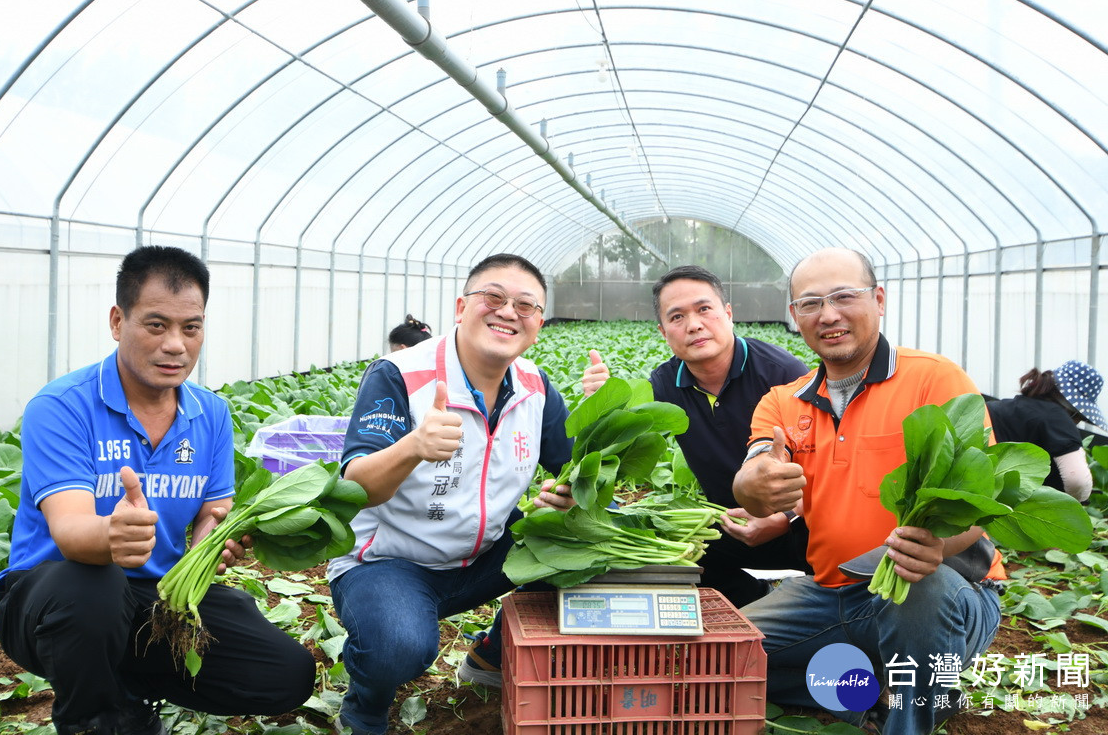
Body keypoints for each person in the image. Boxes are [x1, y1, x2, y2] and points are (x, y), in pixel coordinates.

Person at [0, 246, 316, 735]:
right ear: (118, 321)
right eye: (156, 325)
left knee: (286, 672)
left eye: (191, 327)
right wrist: (112, 536)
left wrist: (215, 535)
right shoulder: (61, 406)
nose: (176, 346)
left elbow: (213, 510)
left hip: (156, 597)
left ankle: (128, 691)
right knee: (93, 586)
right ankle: (95, 722)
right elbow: (73, 532)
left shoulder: (212, 414)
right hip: (49, 597)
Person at [732, 247, 1003, 735]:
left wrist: (937, 546)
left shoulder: (933, 379)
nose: (829, 314)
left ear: (879, 299)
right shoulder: (782, 401)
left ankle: (910, 720)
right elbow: (757, 465)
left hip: (943, 590)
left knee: (922, 580)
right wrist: (752, 483)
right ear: (794, 317)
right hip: (831, 592)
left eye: (844, 297)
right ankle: (871, 695)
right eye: (810, 303)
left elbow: (980, 498)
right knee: (727, 657)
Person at [328, 254, 574, 735]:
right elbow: (353, 486)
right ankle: (366, 702)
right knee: (397, 645)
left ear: (538, 323)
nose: (508, 312)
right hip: (389, 563)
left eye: (525, 305)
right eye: (494, 298)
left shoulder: (536, 387)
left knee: (590, 553)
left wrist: (566, 493)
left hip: (485, 556)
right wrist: (413, 448)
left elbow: (575, 472)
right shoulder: (399, 375)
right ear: (462, 306)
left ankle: (490, 656)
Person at [580, 265, 811, 607]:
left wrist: (785, 518)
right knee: (671, 551)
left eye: (704, 309)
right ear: (663, 332)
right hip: (731, 526)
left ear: (728, 314)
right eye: (677, 317)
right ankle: (753, 602)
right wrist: (600, 408)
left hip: (802, 523)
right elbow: (617, 453)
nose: (694, 325)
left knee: (839, 567)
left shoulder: (783, 373)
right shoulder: (663, 384)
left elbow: (836, 467)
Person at [987, 360, 1103, 501]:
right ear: (1072, 410)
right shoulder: (1057, 416)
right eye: (1079, 418)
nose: (1076, 423)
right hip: (1009, 508)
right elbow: (1077, 481)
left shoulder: (1001, 407)